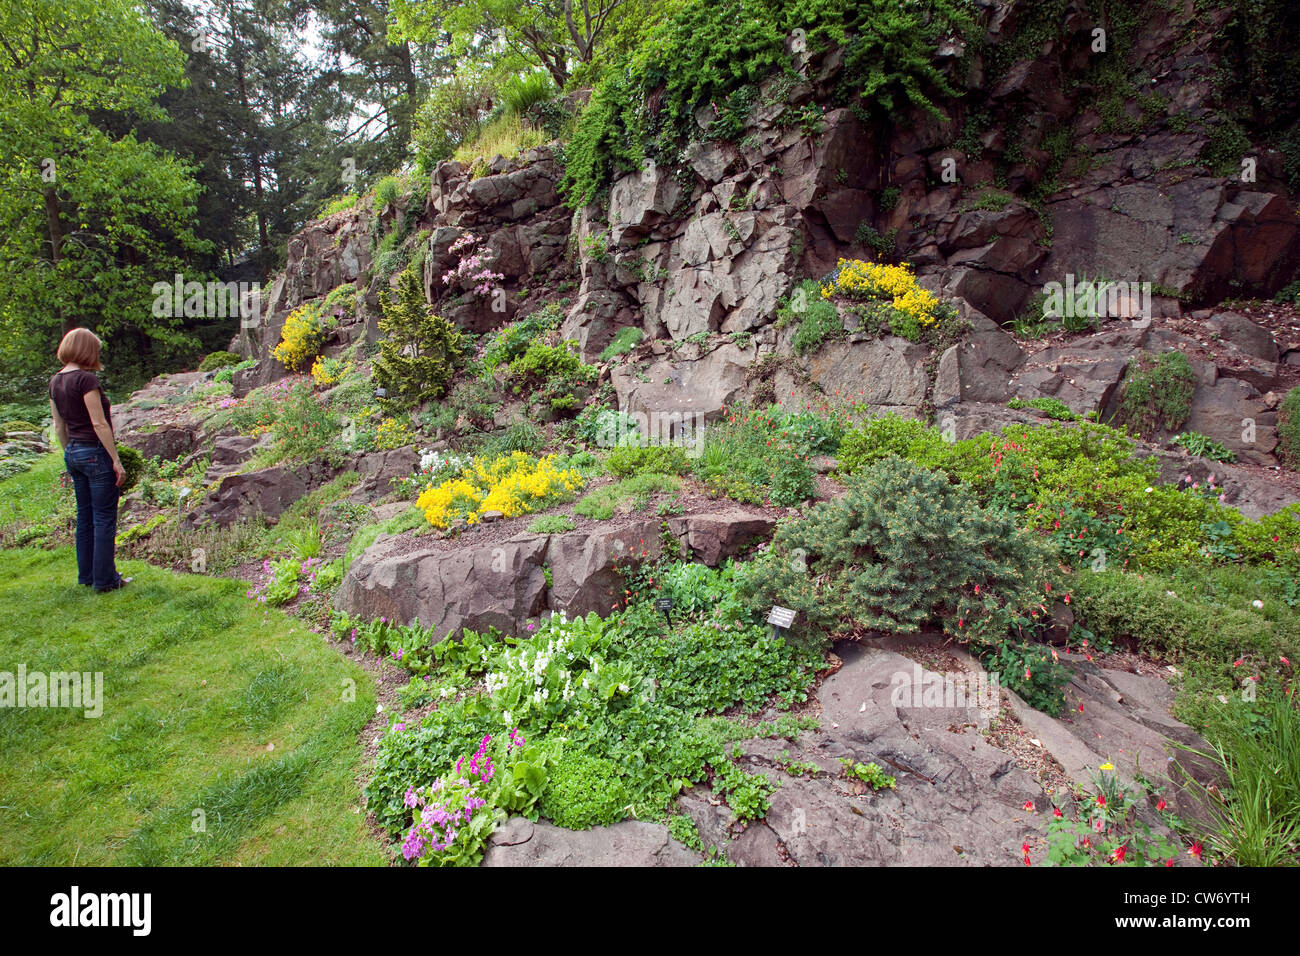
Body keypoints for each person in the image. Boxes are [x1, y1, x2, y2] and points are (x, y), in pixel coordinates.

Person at [48, 327, 131, 592]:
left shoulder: (55, 381)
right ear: (87, 350)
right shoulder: (85, 381)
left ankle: (87, 576)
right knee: (104, 517)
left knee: (84, 516)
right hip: (94, 453)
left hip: (73, 451)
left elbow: (59, 427)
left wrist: (68, 453)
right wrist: (115, 460)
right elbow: (99, 422)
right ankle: (106, 580)